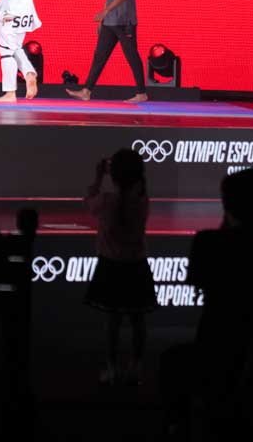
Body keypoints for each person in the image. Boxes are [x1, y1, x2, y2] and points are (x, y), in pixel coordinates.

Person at [84, 147, 155, 388]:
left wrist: (98, 177)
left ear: (113, 175)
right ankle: (136, 367)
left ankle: (112, 368)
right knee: (138, 320)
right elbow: (139, 187)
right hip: (136, 267)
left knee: (112, 322)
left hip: (111, 267)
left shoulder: (106, 202)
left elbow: (88, 202)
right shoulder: (142, 201)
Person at [66, 0, 147, 103]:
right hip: (110, 22)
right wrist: (104, 17)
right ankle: (87, 91)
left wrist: (106, 11)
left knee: (132, 55)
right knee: (99, 56)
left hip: (124, 22)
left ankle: (141, 93)